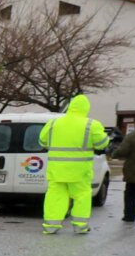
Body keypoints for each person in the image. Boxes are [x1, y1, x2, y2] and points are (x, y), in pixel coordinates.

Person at [38, 94, 109, 235]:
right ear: (86, 109)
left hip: (56, 170)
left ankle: (51, 226)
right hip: (79, 171)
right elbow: (102, 143)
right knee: (82, 197)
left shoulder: (53, 123)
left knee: (55, 197)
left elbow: (42, 142)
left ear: (70, 107)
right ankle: (80, 226)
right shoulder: (91, 124)